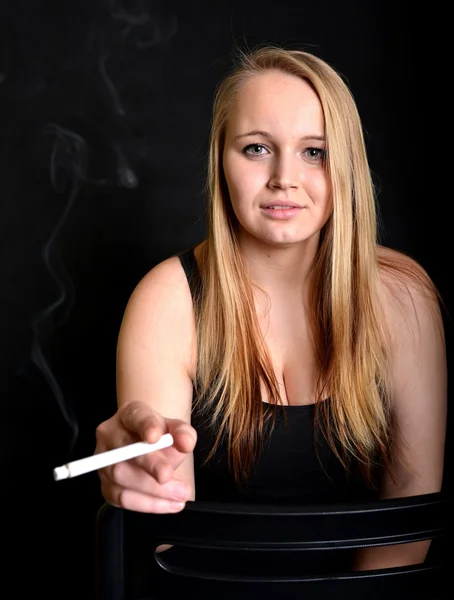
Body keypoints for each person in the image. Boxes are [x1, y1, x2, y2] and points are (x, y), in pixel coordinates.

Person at [95, 45, 447, 571]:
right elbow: (168, 537)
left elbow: (409, 516)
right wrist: (147, 476)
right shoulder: (167, 300)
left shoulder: (403, 297)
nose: (284, 177)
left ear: (346, 166)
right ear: (221, 160)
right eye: (257, 148)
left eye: (314, 152)